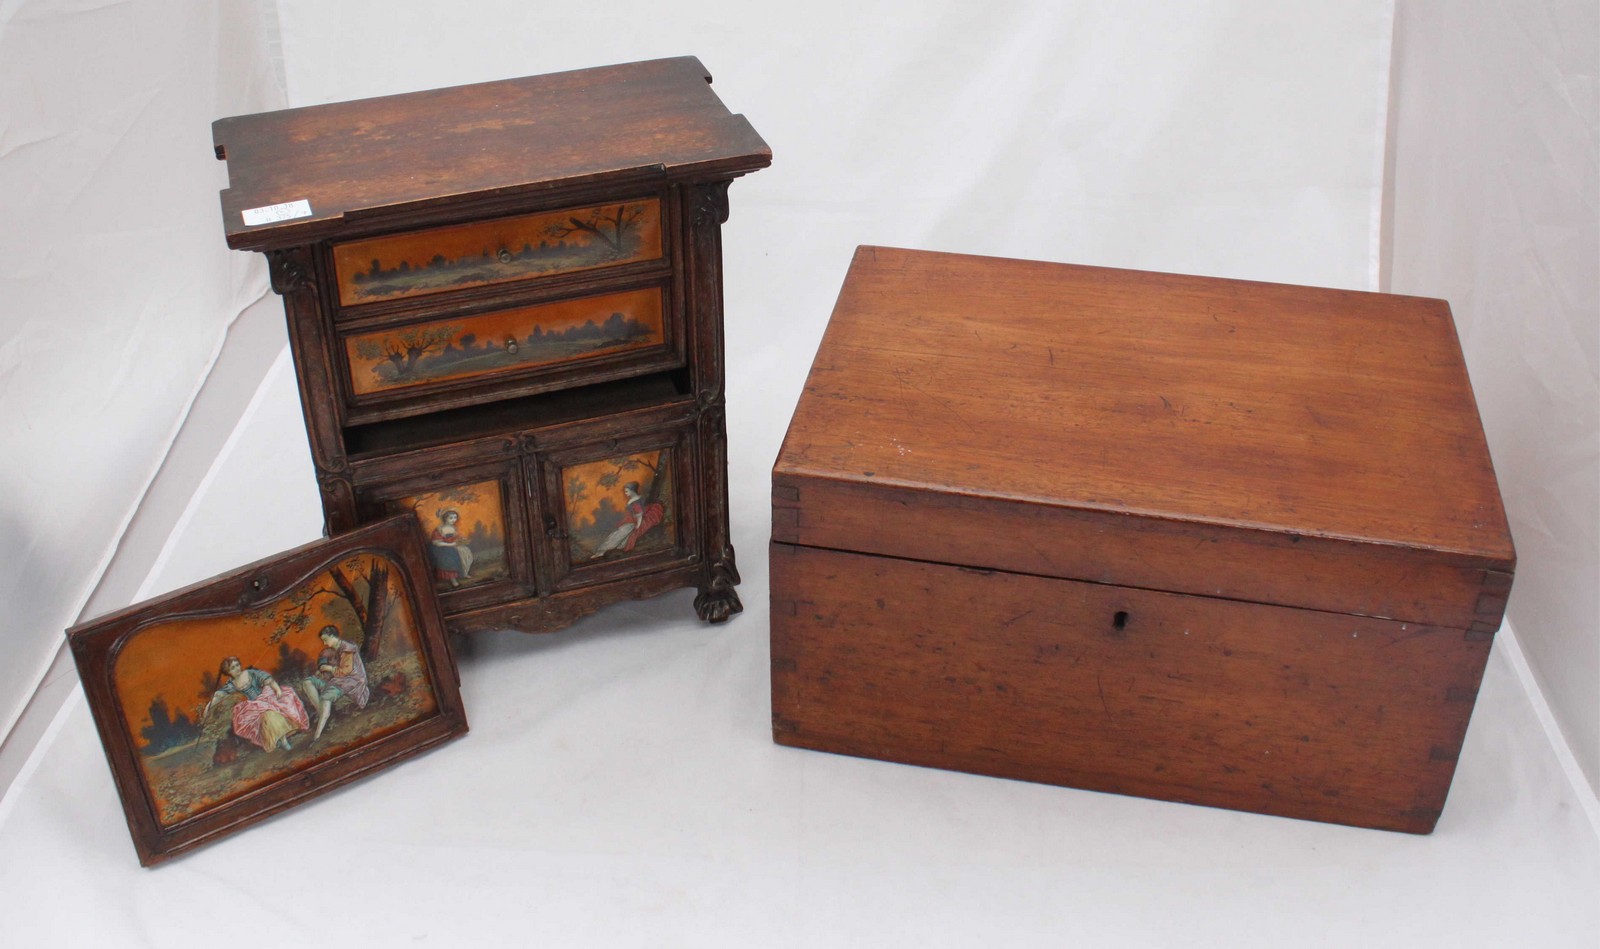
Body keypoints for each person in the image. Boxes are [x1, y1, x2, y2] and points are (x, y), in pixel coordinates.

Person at [203, 657, 309, 753]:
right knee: (266, 717)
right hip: (254, 706)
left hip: (266, 697)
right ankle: (280, 740)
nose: (236, 669)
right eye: (232, 668)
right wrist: (208, 708)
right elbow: (218, 696)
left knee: (272, 713)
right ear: (228, 672)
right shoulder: (231, 684)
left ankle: (284, 741)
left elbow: (267, 678)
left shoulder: (250, 673)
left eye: (237, 665)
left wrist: (277, 689)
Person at [298, 625, 371, 741]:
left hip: (351, 681)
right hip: (336, 680)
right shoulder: (333, 650)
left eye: (325, 640)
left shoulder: (347, 648)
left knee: (325, 697)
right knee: (307, 682)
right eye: (323, 641)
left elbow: (345, 671)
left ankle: (317, 736)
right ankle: (323, 713)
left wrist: (328, 668)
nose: (324, 643)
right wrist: (322, 671)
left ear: (333, 636)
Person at [590, 481, 665, 559]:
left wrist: (638, 525)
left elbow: (639, 514)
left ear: (632, 490)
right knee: (620, 534)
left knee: (619, 534)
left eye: (626, 491)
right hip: (632, 520)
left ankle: (602, 552)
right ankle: (606, 551)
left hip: (635, 522)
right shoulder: (638, 498)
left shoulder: (635, 502)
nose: (625, 493)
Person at [429, 509, 474, 587]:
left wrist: (461, 540)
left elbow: (455, 538)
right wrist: (451, 544)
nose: (454, 520)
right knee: (450, 559)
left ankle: (464, 573)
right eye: (451, 518)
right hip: (443, 549)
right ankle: (453, 580)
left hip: (453, 546)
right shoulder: (439, 529)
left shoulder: (453, 528)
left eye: (455, 517)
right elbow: (436, 543)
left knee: (465, 553)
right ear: (445, 518)